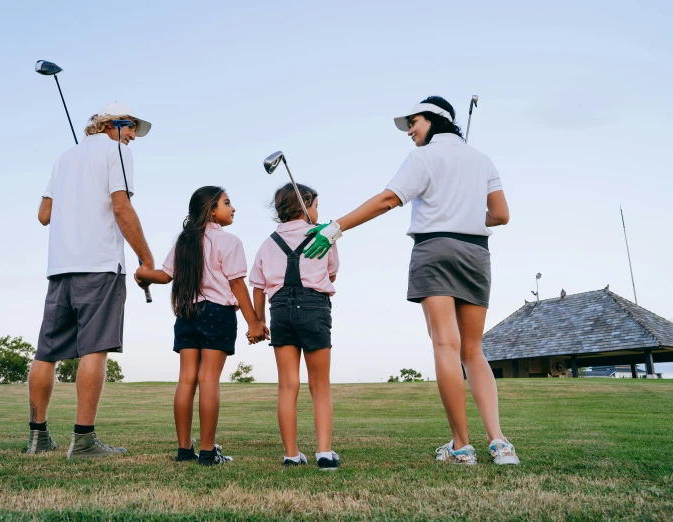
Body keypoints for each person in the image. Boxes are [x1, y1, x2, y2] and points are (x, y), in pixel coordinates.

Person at [304, 96, 520, 465]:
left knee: (446, 346)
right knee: (473, 350)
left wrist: (337, 227)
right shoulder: (482, 159)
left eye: (414, 123)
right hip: (475, 253)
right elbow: (500, 215)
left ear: (436, 120)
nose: (410, 131)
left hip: (434, 249)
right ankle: (500, 444)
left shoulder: (423, 157)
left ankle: (461, 447)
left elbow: (389, 199)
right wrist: (464, 206)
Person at [26, 102, 155, 460]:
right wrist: (146, 258)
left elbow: (44, 215)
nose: (132, 136)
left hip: (60, 268)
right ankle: (83, 442)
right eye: (130, 128)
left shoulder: (64, 158)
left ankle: (38, 438)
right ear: (112, 124)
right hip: (99, 264)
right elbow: (121, 208)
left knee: (46, 353)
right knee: (94, 348)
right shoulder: (118, 152)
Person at [135, 186, 267, 466]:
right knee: (209, 381)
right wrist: (253, 322)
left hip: (187, 312)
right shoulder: (229, 241)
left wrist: (144, 275)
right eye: (227, 203)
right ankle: (207, 453)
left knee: (186, 380)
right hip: (218, 313)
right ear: (211, 210)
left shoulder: (184, 240)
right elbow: (236, 284)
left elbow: (165, 275)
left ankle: (184, 451)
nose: (233, 209)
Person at [249, 183, 341, 470]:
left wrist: (260, 319)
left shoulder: (267, 242)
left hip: (280, 311)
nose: (317, 211)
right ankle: (324, 454)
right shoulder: (324, 237)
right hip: (314, 307)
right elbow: (332, 275)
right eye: (315, 205)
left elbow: (258, 286)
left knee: (287, 385)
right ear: (305, 205)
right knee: (320, 386)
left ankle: (291, 455)